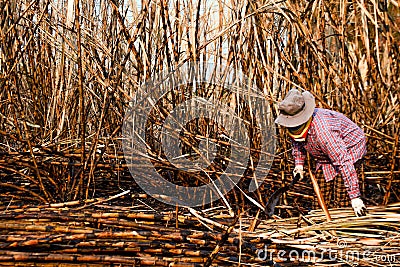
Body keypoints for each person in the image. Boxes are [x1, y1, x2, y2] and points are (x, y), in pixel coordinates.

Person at [275, 89, 367, 217]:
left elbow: (343, 162)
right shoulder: (294, 123)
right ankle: (322, 221)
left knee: (342, 195)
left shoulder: (324, 132)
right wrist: (299, 165)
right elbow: (297, 142)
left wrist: (355, 197)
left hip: (349, 149)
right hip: (325, 155)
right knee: (321, 195)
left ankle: (343, 224)